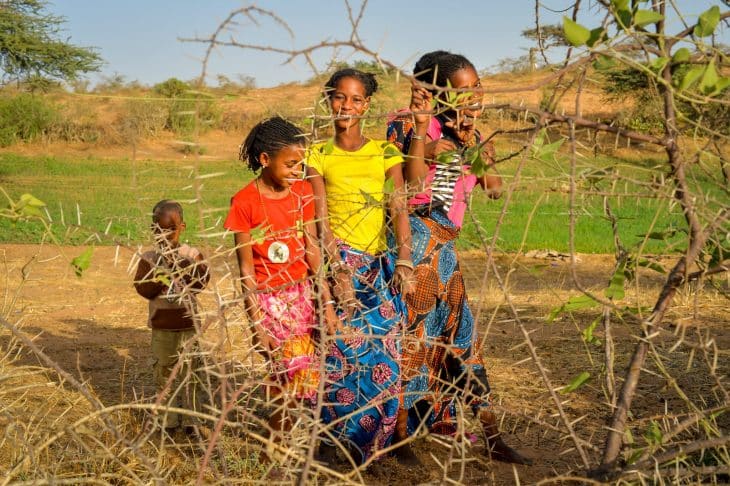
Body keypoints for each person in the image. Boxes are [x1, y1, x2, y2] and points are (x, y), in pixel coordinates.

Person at [386, 52, 530, 465]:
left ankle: (492, 436)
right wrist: (426, 141)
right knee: (413, 338)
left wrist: (476, 143)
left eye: (477, 84)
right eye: (463, 89)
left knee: (462, 339)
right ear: (438, 91)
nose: (474, 94)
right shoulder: (407, 122)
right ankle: (400, 439)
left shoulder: (471, 133)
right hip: (416, 241)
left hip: (446, 247)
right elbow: (411, 186)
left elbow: (495, 189)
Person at [306, 68, 415, 465]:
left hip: (378, 264)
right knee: (340, 353)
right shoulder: (316, 154)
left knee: (384, 352)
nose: (346, 106)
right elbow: (320, 217)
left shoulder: (385, 152)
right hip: (339, 264)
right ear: (328, 100)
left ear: (366, 105)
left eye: (355, 99)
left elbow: (398, 205)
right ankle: (336, 443)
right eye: (339, 97)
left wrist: (403, 258)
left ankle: (374, 445)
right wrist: (337, 271)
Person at [224, 116, 339, 456]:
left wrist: (327, 302)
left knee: (299, 376)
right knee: (289, 372)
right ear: (264, 160)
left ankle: (279, 444)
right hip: (270, 303)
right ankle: (275, 446)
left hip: (305, 294)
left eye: (300, 164)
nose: (296, 170)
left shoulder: (302, 192)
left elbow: (312, 249)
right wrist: (255, 321)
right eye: (290, 164)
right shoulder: (243, 202)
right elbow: (245, 267)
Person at [134, 199, 210, 436]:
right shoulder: (149, 258)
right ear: (153, 230)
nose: (165, 235)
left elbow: (202, 281)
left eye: (170, 229)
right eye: (159, 230)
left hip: (188, 326)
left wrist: (184, 269)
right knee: (164, 373)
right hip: (162, 327)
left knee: (192, 374)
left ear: (182, 227)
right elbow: (143, 289)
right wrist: (159, 275)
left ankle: (192, 420)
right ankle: (167, 421)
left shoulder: (192, 254)